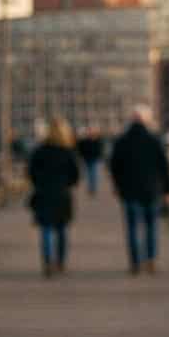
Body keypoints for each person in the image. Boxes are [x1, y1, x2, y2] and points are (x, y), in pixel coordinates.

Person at [108, 105, 169, 275]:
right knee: (151, 227)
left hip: (129, 190)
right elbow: (164, 167)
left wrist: (116, 185)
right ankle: (150, 259)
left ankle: (135, 262)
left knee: (132, 227)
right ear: (146, 120)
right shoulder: (154, 140)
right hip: (152, 190)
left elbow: (114, 166)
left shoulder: (122, 141)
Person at [28, 117, 81, 277]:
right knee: (62, 230)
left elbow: (31, 172)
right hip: (62, 194)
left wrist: (40, 183)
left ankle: (48, 262)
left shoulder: (39, 151)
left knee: (46, 229)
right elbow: (76, 176)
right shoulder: (68, 152)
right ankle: (60, 262)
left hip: (44, 194)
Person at [76, 127, 105, 197]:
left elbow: (100, 149)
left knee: (93, 173)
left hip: (94, 158)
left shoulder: (97, 140)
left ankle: (93, 188)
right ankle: (91, 187)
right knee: (90, 173)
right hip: (87, 158)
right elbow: (80, 148)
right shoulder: (85, 141)